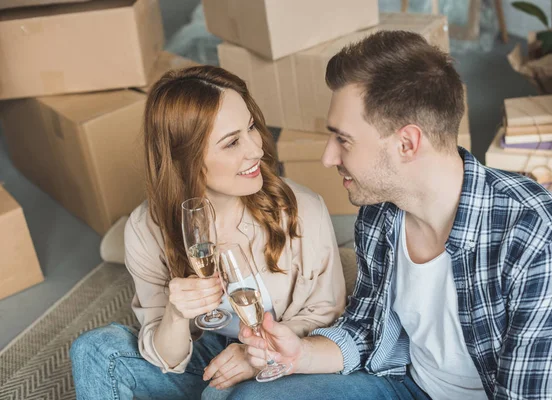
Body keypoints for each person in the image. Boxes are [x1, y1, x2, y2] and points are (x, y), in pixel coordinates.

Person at [234, 30, 552, 400]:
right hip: (408, 384)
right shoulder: (379, 212)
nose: (328, 157)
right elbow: (367, 331)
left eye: (343, 139)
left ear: (407, 143)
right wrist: (299, 354)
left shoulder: (544, 237)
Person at [69, 65, 346, 399]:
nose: (256, 149)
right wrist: (175, 314)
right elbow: (165, 358)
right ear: (185, 158)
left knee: (220, 397)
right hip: (203, 355)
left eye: (251, 127)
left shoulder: (303, 209)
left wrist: (254, 355)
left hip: (279, 360)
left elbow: (326, 316)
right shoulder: (146, 228)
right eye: (232, 143)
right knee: (92, 350)